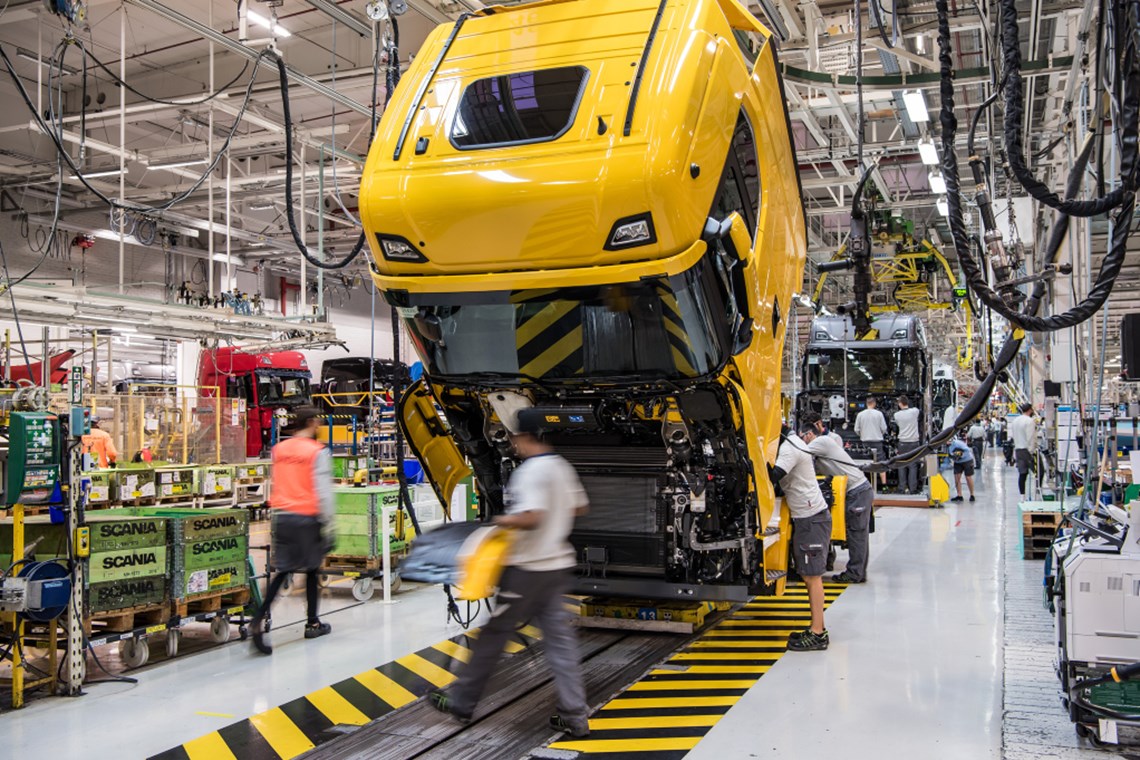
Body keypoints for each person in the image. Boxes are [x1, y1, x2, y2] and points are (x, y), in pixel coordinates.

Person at [430, 409, 591, 737]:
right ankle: (575, 715)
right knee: (560, 643)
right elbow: (579, 507)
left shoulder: (530, 472)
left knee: (494, 636)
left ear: (523, 437)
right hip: (557, 565)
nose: (513, 444)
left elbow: (532, 515)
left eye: (515, 437)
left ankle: (461, 702)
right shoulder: (561, 466)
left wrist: (499, 522)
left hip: (528, 569)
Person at [252, 406, 336, 654]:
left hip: (282, 517)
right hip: (307, 517)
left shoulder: (280, 449)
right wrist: (329, 524)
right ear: (310, 422)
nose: (319, 425)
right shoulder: (317, 452)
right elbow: (323, 491)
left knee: (284, 571)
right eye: (318, 421)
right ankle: (312, 623)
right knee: (312, 569)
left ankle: (258, 620)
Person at [770, 424, 832, 651]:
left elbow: (772, 476)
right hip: (808, 518)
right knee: (809, 576)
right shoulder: (795, 442)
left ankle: (818, 634)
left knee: (813, 577)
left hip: (811, 519)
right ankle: (817, 627)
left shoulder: (789, 449)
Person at [800, 425, 873, 584]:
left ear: (810, 434)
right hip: (856, 491)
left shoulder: (821, 442)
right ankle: (858, 572)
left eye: (802, 437)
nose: (802, 441)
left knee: (856, 534)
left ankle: (854, 573)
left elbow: (799, 453)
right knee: (857, 534)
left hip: (857, 491)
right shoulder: (821, 447)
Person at [853, 396, 888, 487]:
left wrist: (862, 435)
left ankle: (865, 485)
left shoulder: (860, 414)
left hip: (865, 443)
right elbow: (884, 428)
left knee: (865, 464)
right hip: (877, 442)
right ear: (874, 403)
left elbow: (856, 429)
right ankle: (884, 486)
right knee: (881, 463)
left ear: (866, 403)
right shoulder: (879, 414)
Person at [893, 395, 922, 494]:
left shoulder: (897, 415)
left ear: (900, 404)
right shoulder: (915, 411)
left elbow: (896, 425)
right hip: (914, 443)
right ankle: (913, 489)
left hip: (902, 443)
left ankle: (901, 488)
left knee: (901, 465)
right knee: (913, 466)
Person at [1009, 403, 1037, 496]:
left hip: (1018, 451)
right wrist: (1032, 452)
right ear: (1030, 410)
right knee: (1039, 471)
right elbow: (1030, 437)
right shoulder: (1029, 421)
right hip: (1027, 451)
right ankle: (1037, 493)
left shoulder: (1015, 421)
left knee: (1022, 474)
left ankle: (1022, 496)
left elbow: (1013, 436)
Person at [947, 433, 977, 502]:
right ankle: (959, 495)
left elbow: (967, 449)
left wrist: (960, 455)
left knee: (968, 477)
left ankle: (972, 495)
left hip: (967, 460)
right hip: (958, 462)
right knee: (957, 478)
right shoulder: (947, 447)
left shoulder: (957, 443)